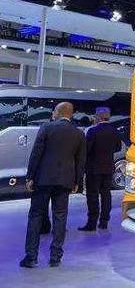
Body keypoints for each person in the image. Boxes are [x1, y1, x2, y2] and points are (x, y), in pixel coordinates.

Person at [21, 102, 86, 268]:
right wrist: (77, 182)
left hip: (43, 179)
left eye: (54, 110)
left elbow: (36, 153)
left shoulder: (46, 128)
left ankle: (31, 257)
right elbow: (80, 161)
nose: (53, 113)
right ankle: (55, 257)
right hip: (65, 181)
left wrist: (30, 176)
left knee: (36, 215)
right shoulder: (78, 133)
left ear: (58, 112)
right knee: (60, 216)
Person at [78, 107, 121, 231]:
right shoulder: (114, 131)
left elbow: (87, 149)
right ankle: (104, 222)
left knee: (92, 196)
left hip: (93, 169)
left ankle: (91, 223)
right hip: (108, 168)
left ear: (98, 117)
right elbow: (118, 147)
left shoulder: (93, 131)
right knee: (106, 195)